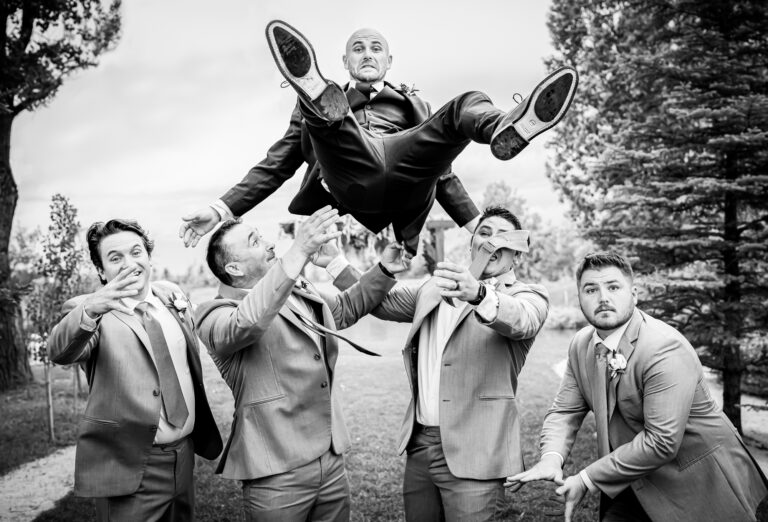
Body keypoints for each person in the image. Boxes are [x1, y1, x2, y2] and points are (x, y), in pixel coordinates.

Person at [179, 21, 578, 255]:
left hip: (408, 179)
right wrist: (220, 210)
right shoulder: (321, 106)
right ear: (346, 62)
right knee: (321, 115)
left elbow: (444, 176)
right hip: (353, 178)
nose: (367, 54)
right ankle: (316, 93)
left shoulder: (416, 106)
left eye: (375, 49)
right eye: (358, 49)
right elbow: (276, 164)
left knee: (464, 104)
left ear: (389, 61)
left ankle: (506, 127)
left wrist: (478, 227)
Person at [506, 253, 768, 522]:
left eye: (613, 287)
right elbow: (564, 411)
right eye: (591, 289)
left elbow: (661, 441)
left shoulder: (664, 348)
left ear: (634, 294)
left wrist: (585, 478)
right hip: (628, 478)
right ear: (579, 297)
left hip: (696, 482)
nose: (603, 297)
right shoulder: (581, 344)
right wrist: (551, 458)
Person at [335, 206, 549, 521]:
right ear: (473, 241)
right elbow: (379, 300)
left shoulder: (528, 296)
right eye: (485, 233)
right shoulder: (436, 287)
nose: (492, 241)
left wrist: (477, 293)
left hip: (477, 453)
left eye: (504, 238)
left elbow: (522, 320)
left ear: (518, 256)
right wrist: (336, 263)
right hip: (420, 446)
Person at [195, 206, 408, 521]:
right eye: (255, 241)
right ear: (235, 268)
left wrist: (385, 270)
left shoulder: (296, 290)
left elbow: (346, 307)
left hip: (330, 460)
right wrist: (299, 251)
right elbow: (249, 322)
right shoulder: (214, 314)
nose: (269, 244)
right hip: (276, 472)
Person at [48, 219, 223, 522]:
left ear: (148, 257)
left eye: (136, 252)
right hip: (131, 464)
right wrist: (91, 309)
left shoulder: (170, 295)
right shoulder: (88, 310)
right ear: (102, 271)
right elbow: (60, 352)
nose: (130, 263)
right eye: (115, 258)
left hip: (183, 455)